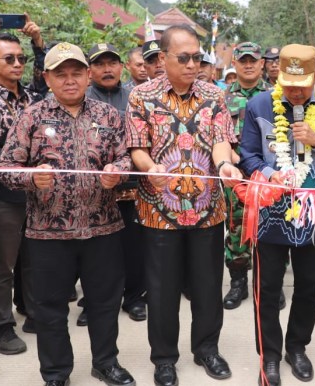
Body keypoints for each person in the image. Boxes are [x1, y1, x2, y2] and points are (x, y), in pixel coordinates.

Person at [0, 42, 135, 386]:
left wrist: (117, 171)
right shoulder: (31, 116)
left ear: (88, 75)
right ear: (47, 78)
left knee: (104, 304)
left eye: (76, 73)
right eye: (61, 74)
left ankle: (105, 363)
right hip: (47, 234)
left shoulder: (108, 116)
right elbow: (5, 168)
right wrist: (30, 177)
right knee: (49, 308)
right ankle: (56, 372)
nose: (70, 80)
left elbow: (127, 159)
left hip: (103, 230)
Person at [126, 24, 242, 386]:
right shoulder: (141, 97)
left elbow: (223, 140)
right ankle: (164, 359)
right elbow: (137, 149)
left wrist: (224, 163)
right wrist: (150, 168)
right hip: (159, 209)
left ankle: (207, 349)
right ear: (162, 59)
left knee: (208, 285)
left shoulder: (214, 95)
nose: (193, 64)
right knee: (161, 289)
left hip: (208, 208)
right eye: (184, 58)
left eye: (197, 57)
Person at [239, 43, 315, 386]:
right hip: (271, 210)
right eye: (288, 85)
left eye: (302, 86)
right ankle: (269, 356)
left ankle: (297, 348)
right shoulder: (259, 105)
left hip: (313, 213)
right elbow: (247, 154)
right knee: (268, 287)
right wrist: (266, 172)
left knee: (307, 286)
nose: (295, 93)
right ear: (278, 77)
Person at [0, 29, 50, 353]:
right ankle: (2, 326)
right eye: (10, 59)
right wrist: (30, 166)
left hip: (36, 195)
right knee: (3, 265)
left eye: (22, 58)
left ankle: (30, 311)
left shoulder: (32, 98)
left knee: (33, 259)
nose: (17, 64)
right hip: (3, 197)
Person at [86, 43, 146, 324]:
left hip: (132, 188)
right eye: (99, 64)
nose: (107, 69)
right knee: (97, 252)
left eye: (112, 63)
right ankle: (93, 303)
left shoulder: (135, 97)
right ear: (90, 70)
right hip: (95, 192)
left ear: (122, 67)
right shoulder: (82, 99)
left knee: (133, 248)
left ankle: (134, 298)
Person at [222, 42, 271, 310]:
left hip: (267, 176)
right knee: (236, 227)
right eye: (243, 60)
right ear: (236, 64)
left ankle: (268, 284)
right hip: (236, 176)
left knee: (271, 227)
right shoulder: (222, 98)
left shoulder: (276, 96)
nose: (249, 64)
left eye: (254, 60)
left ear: (262, 63)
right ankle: (238, 282)